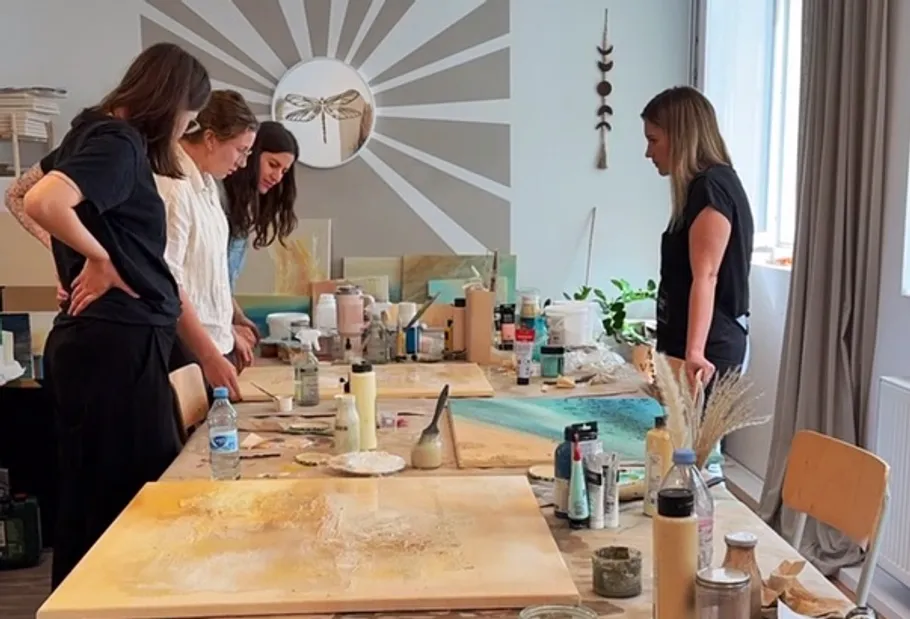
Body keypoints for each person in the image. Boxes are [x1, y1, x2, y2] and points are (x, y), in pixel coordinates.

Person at [7, 42, 210, 589]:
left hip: (102, 342)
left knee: (93, 498)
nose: (180, 133)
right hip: (116, 346)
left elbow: (22, 195)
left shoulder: (90, 131)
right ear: (170, 102)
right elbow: (41, 202)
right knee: (126, 500)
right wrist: (96, 258)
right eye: (187, 119)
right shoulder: (118, 142)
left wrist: (68, 259)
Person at [641, 85, 754, 390]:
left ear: (680, 138)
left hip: (708, 350)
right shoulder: (702, 188)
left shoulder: (711, 188)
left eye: (654, 140)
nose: (648, 152)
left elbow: (707, 276)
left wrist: (694, 352)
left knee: (692, 440)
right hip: (688, 346)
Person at [156, 90, 258, 394]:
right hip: (188, 351)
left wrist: (226, 331)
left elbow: (208, 277)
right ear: (211, 139)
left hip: (212, 345)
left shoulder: (209, 184)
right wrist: (210, 354)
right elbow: (170, 284)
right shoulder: (173, 188)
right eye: (240, 150)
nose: (242, 163)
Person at [221, 120, 299, 345]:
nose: (277, 177)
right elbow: (204, 282)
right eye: (273, 164)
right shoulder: (219, 202)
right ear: (253, 155)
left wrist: (237, 316)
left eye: (283, 171)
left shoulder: (240, 210)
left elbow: (221, 281)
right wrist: (228, 328)